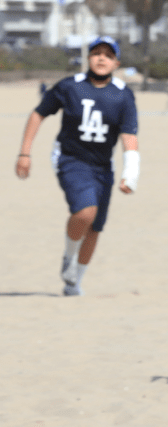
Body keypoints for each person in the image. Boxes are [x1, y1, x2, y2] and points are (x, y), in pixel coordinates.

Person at [15, 36, 140, 296]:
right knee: (85, 212)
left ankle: (74, 282)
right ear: (88, 58)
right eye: (96, 53)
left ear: (116, 62)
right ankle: (68, 256)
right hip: (70, 158)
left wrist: (131, 171)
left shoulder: (123, 95)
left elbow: (129, 134)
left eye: (108, 54)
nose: (101, 58)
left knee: (94, 229)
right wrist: (25, 153)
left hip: (103, 166)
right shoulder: (70, 87)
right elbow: (39, 113)